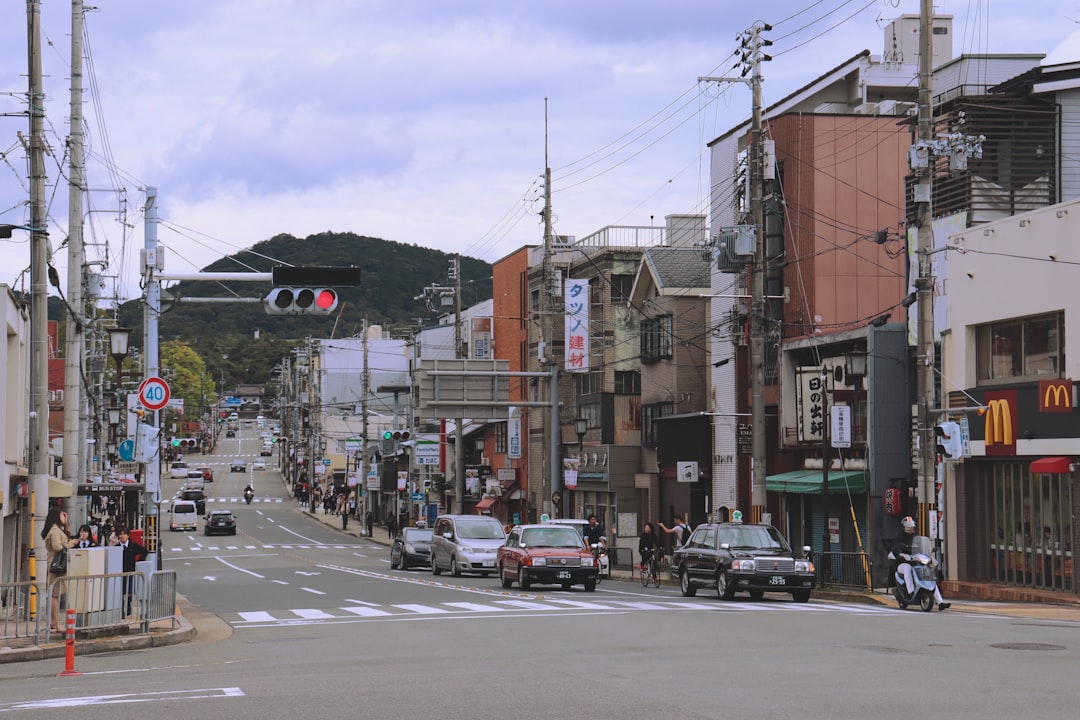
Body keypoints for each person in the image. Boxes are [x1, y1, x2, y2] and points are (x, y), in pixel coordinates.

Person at [892, 516, 950, 611]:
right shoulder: (899, 537)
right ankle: (910, 592)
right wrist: (901, 554)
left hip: (915, 562)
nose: (910, 529)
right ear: (903, 527)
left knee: (927, 575)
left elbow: (921, 547)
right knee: (907, 569)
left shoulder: (916, 536)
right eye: (908, 527)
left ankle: (940, 602)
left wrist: (929, 556)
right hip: (902, 563)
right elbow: (895, 548)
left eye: (911, 527)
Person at [42, 506, 76, 631]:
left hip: (58, 563)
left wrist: (66, 523)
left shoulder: (58, 528)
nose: (65, 516)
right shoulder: (55, 530)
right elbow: (56, 547)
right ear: (57, 516)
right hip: (56, 564)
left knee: (57, 593)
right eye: (63, 515)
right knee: (55, 594)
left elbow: (67, 533)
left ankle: (55, 622)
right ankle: (54, 623)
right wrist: (70, 544)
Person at [117, 527, 148, 618]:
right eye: (120, 534)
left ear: (128, 535)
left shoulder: (133, 545)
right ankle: (122, 610)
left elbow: (144, 551)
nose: (122, 536)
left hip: (130, 571)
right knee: (121, 592)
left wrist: (139, 561)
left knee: (129, 591)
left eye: (124, 534)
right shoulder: (117, 547)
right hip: (120, 572)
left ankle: (128, 605)